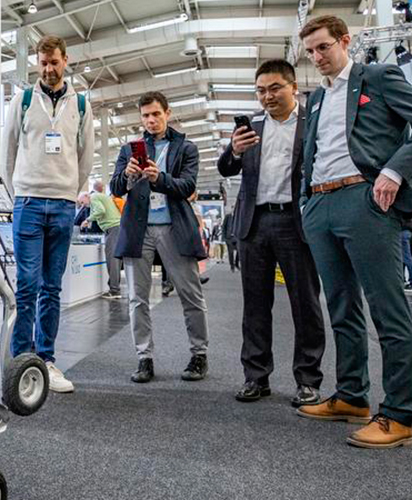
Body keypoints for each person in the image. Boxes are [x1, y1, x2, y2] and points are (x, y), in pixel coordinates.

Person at [296, 16, 412, 448]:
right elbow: (314, 151)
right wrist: (307, 201)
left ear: (345, 41)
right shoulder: (317, 98)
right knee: (341, 307)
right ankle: (351, 396)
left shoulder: (378, 78)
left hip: (364, 200)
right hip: (321, 203)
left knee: (387, 309)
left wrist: (394, 172)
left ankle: (398, 415)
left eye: (323, 47)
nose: (317, 57)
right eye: (310, 51)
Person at [217, 58, 326, 407]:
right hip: (254, 224)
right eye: (261, 90)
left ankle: (308, 380)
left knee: (305, 303)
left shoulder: (312, 122)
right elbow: (225, 167)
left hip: (296, 223)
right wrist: (235, 150)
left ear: (293, 87)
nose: (267, 96)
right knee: (255, 306)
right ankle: (256, 376)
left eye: (275, 88)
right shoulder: (252, 127)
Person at [1, 35, 94, 393]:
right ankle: (21, 361)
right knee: (27, 286)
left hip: (62, 206)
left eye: (54, 62)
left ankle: (46, 360)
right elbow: (8, 152)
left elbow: (85, 158)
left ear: (65, 61)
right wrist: (17, 194)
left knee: (51, 288)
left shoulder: (81, 105)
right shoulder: (22, 100)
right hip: (27, 202)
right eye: (42, 63)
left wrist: (69, 192)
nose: (48, 69)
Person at [110, 91, 209, 384]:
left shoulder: (186, 148)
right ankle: (144, 358)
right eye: (145, 116)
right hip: (138, 230)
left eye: (156, 114)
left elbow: (188, 186)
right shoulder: (129, 150)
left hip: (174, 228)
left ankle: (199, 354)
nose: (151, 120)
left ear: (167, 113)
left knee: (190, 294)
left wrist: (159, 178)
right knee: (137, 298)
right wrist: (128, 175)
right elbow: (115, 188)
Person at [84, 180, 122, 299]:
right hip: (117, 227)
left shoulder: (93, 197)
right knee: (116, 259)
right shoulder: (101, 196)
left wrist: (87, 220)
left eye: (82, 202)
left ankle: (114, 290)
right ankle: (115, 288)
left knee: (112, 260)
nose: (84, 205)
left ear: (86, 196)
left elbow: (100, 210)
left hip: (113, 228)